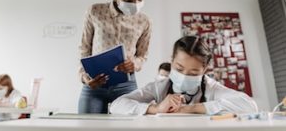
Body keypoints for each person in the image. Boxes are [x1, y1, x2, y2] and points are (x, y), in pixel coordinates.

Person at [110, 36, 258, 115]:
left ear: (205, 70)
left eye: (194, 73)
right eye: (179, 69)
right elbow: (117, 105)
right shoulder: (159, 86)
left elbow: (249, 105)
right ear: (172, 61)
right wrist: (156, 108)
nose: (184, 76)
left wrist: (190, 109)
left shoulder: (211, 88)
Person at [78, 0, 152, 114]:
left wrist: (135, 64)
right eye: (128, 0)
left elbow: (142, 55)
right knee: (87, 126)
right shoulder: (95, 11)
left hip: (126, 84)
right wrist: (84, 77)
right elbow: (84, 48)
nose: (136, 4)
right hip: (95, 83)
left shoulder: (144, 21)